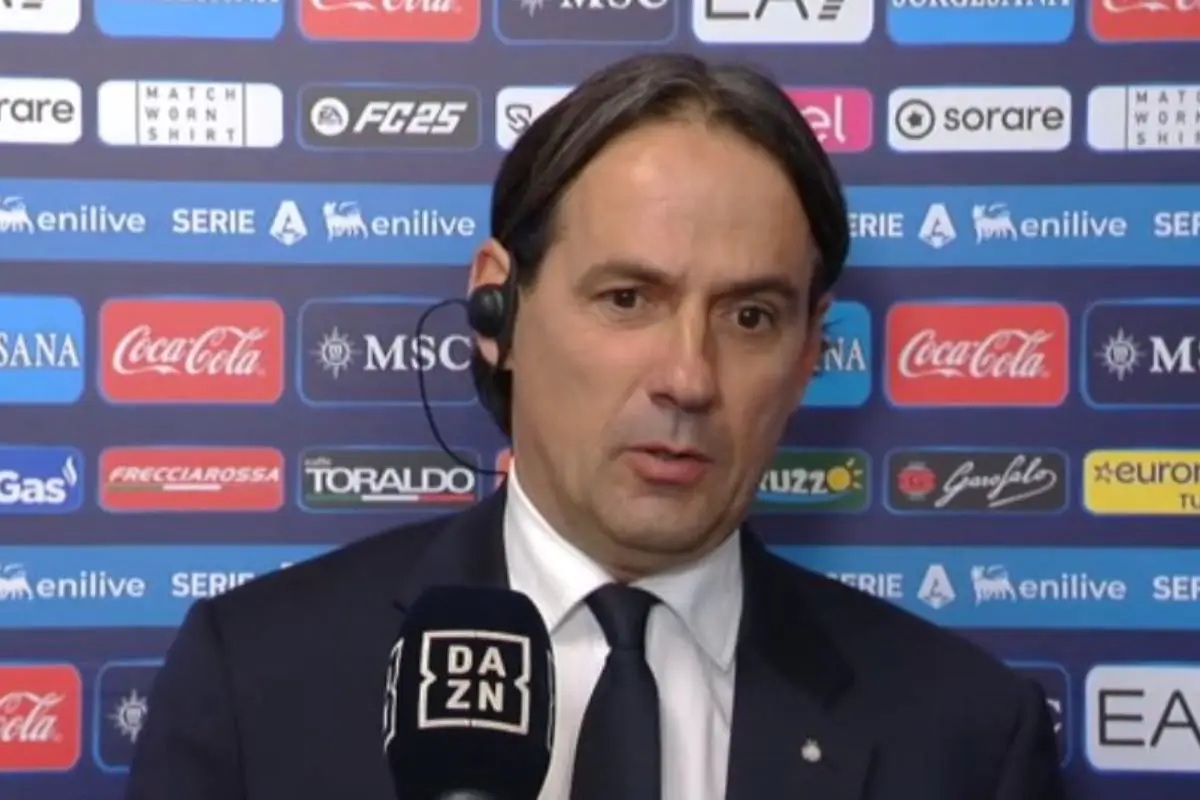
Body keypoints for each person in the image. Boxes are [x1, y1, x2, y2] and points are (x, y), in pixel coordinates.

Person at [125, 53, 1065, 800]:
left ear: (812, 350)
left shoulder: (967, 738)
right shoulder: (256, 683)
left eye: (750, 317)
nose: (689, 378)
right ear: (498, 309)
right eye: (628, 299)